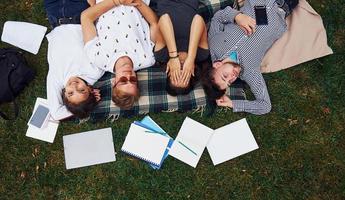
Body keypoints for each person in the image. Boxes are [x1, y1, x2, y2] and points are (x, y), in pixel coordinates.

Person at [202, 0, 298, 115]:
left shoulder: (214, 45)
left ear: (217, 65)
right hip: (283, 5)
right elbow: (265, 106)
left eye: (225, 76)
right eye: (229, 83)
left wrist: (237, 16)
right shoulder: (249, 72)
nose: (232, 77)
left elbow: (218, 17)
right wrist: (232, 104)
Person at [81, 0, 163, 109]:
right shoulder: (147, 58)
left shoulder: (98, 59)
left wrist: (118, 1)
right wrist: (137, 2)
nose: (128, 75)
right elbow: (154, 23)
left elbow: (86, 17)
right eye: (133, 80)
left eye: (123, 80)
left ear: (114, 82)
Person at [45, 0, 105, 120]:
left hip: (55, 16)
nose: (74, 86)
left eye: (71, 93)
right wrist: (90, 103)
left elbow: (56, 114)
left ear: (64, 94)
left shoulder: (57, 80)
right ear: (89, 89)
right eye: (82, 90)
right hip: (80, 14)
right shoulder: (95, 72)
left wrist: (78, 109)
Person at [154, 0, 209, 95]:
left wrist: (173, 56)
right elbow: (198, 19)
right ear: (192, 73)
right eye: (184, 75)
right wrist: (191, 58)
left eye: (176, 75)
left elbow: (164, 18)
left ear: (168, 71)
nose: (181, 68)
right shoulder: (201, 54)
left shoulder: (161, 55)